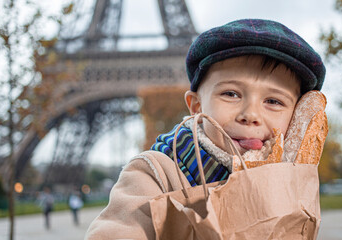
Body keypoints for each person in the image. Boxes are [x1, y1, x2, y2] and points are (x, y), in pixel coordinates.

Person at [85, 19, 326, 239]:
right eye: (231, 94)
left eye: (273, 101)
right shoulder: (155, 174)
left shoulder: (291, 177)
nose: (251, 115)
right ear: (196, 106)